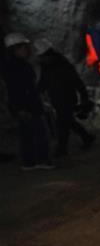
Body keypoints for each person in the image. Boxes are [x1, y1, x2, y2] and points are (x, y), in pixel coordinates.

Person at [3, 33, 54, 170]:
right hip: (27, 106)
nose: (28, 50)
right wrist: (21, 108)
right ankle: (40, 160)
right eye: (24, 47)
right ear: (15, 49)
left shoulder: (17, 65)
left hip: (27, 105)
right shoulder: (15, 67)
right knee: (37, 133)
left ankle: (30, 161)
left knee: (28, 134)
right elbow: (17, 90)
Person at [37, 44, 95, 156]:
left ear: (49, 55)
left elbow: (78, 83)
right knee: (68, 121)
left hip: (67, 98)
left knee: (62, 123)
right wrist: (37, 91)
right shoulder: (46, 66)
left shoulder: (64, 66)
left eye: (43, 56)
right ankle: (87, 137)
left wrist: (84, 99)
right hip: (56, 99)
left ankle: (62, 149)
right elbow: (43, 81)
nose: (42, 59)